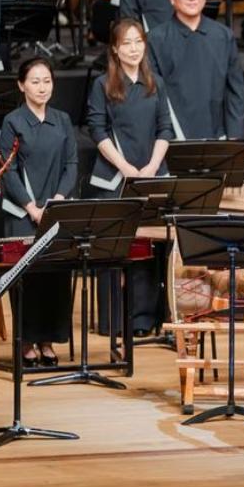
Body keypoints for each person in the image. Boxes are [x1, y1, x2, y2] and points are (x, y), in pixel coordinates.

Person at [87, 18, 174, 337]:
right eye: (126, 43)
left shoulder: (156, 83)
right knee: (116, 249)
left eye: (138, 42)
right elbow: (96, 128)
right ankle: (113, 321)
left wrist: (151, 167)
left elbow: (164, 127)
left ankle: (145, 319)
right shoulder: (102, 84)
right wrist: (125, 167)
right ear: (114, 48)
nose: (133, 49)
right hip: (114, 178)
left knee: (150, 249)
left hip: (151, 173)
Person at [0, 57, 78, 368]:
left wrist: (57, 201)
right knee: (27, 278)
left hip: (55, 210)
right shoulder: (13, 122)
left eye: (46, 81)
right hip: (22, 212)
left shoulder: (63, 119)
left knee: (55, 277)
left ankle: (49, 341)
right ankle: (27, 342)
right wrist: (31, 207)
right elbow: (8, 170)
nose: (42, 87)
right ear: (21, 85)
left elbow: (71, 164)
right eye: (35, 81)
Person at [148, 0, 244, 140]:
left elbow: (235, 92)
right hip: (173, 137)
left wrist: (235, 136)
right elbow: (152, 96)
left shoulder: (223, 35)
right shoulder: (156, 39)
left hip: (218, 135)